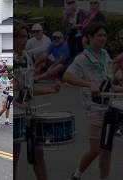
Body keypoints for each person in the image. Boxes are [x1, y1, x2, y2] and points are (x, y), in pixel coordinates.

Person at [63, 23, 123, 180]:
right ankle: (77, 174)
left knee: (107, 149)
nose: (103, 38)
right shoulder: (82, 58)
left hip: (110, 107)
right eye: (99, 35)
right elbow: (67, 77)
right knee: (95, 150)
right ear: (89, 38)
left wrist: (118, 85)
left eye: (104, 35)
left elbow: (109, 81)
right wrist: (88, 84)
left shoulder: (105, 54)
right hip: (94, 109)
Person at [14, 20, 60, 180]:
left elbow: (29, 88)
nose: (23, 40)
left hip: (28, 112)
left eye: (25, 37)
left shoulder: (27, 57)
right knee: (15, 155)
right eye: (19, 37)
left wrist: (50, 89)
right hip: (14, 114)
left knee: (38, 152)